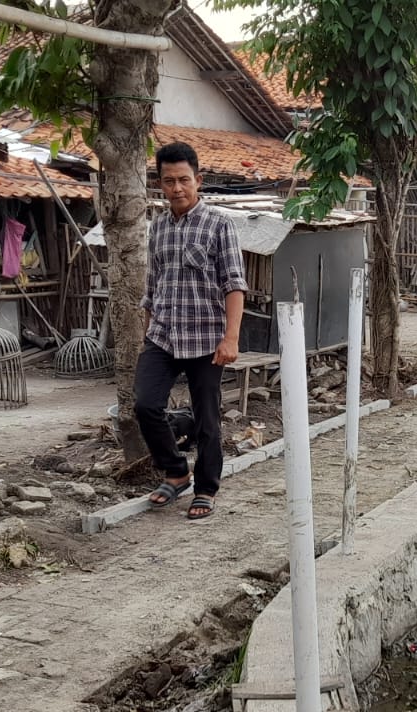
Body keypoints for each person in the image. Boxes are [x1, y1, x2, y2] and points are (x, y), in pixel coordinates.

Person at [136, 142, 247, 522]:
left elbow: (234, 284)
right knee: (145, 405)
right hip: (163, 335)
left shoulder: (219, 225)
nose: (177, 188)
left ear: (198, 180)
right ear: (160, 183)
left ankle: (205, 488)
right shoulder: (158, 227)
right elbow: (153, 285)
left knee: (207, 419)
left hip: (206, 338)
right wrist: (146, 330)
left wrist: (231, 337)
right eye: (169, 181)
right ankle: (176, 470)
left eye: (184, 180)